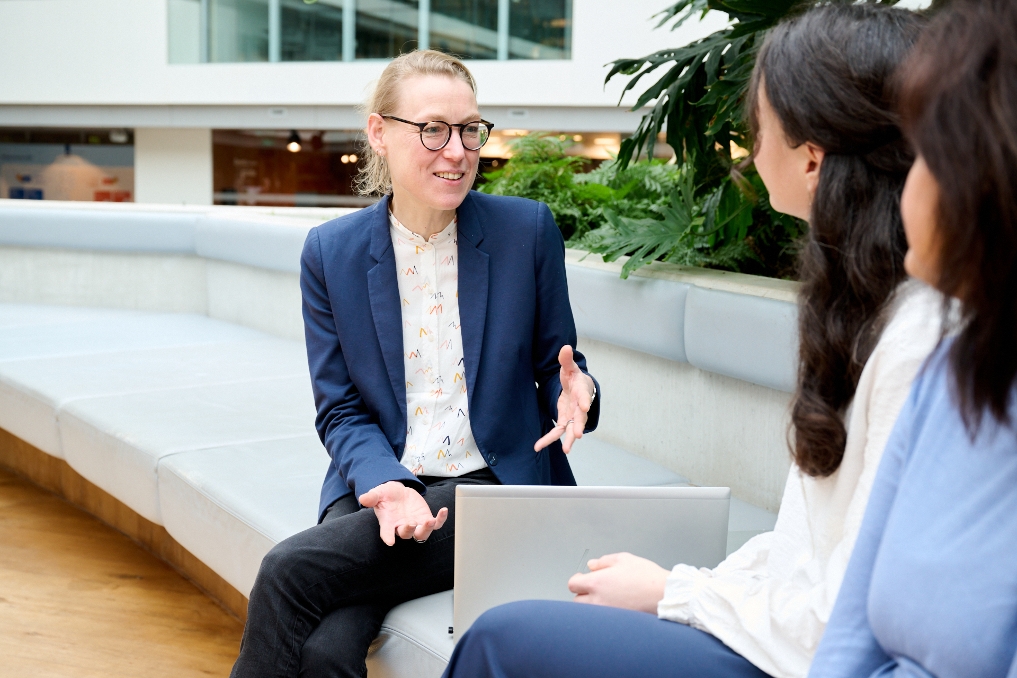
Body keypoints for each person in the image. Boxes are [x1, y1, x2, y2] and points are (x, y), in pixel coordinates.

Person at [442, 5, 942, 678]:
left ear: (812, 157)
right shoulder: (858, 311)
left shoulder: (914, 341)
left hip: (818, 659)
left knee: (499, 636)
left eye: (756, 123)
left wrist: (674, 593)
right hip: (785, 633)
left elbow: (853, 618)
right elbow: (808, 549)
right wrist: (688, 584)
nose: (747, 142)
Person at [229, 49, 600, 678]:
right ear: (380, 132)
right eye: (432, 129)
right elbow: (340, 408)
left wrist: (580, 391)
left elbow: (559, 365)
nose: (456, 151)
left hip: (494, 491)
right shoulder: (331, 253)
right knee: (324, 650)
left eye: (470, 130)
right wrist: (389, 487)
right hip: (383, 484)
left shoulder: (526, 232)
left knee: (287, 571)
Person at [809, 1, 1017, 675]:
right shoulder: (954, 368)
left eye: (924, 154)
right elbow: (848, 632)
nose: (906, 182)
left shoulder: (917, 342)